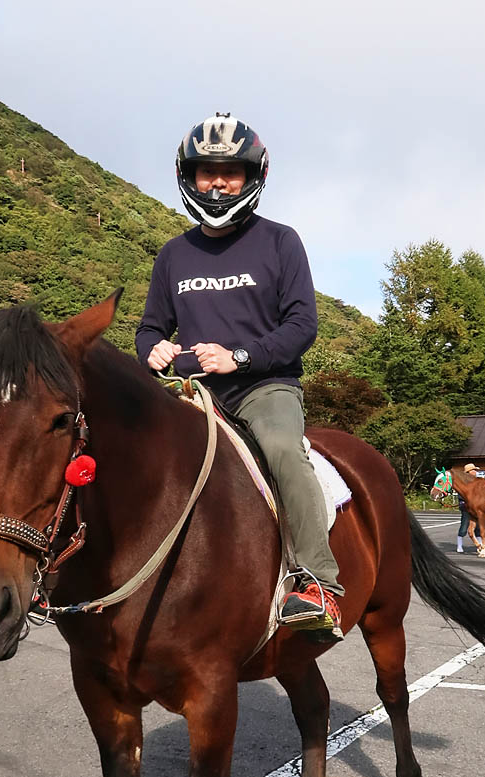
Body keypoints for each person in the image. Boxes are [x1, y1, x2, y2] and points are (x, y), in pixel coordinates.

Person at [136, 113, 343, 642]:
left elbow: (303, 326)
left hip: (262, 387)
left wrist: (241, 358)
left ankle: (319, 583)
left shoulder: (280, 242)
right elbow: (150, 329)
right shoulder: (173, 254)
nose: (219, 182)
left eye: (231, 171)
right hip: (192, 393)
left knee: (280, 447)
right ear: (190, 176)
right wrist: (152, 350)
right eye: (208, 171)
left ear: (254, 177)